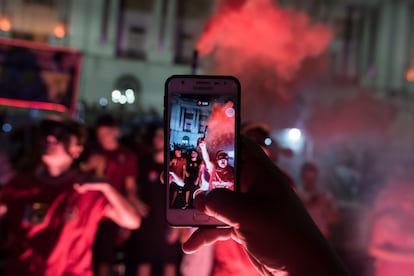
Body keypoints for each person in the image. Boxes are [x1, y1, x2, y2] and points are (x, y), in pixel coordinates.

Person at [182, 137, 349, 276]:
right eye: (253, 137)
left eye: (264, 140)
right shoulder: (228, 175)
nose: (260, 145)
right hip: (229, 269)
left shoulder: (280, 183)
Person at [0, 118, 140, 276]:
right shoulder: (20, 184)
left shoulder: (87, 188)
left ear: (77, 150)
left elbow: (132, 221)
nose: (50, 139)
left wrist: (106, 186)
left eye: (61, 136)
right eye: (48, 134)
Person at [91, 114, 147, 276]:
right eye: (99, 135)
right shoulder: (94, 154)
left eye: (106, 134)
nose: (103, 138)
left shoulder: (127, 156)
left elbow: (130, 188)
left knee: (105, 259)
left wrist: (134, 205)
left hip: (112, 213)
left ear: (115, 131)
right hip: (92, 211)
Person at [124, 125, 183, 276]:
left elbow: (182, 195)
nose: (159, 139)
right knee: (144, 261)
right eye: (157, 136)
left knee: (169, 262)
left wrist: (178, 225)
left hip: (168, 221)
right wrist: (136, 203)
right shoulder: (144, 163)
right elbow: (132, 190)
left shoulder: (176, 165)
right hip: (147, 220)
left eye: (162, 136)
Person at [297, 162, 338, 239]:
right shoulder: (297, 195)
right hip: (301, 236)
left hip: (320, 237)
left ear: (316, 177)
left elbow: (333, 220)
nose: (310, 181)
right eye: (307, 178)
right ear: (302, 176)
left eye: (312, 178)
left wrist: (322, 205)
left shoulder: (326, 196)